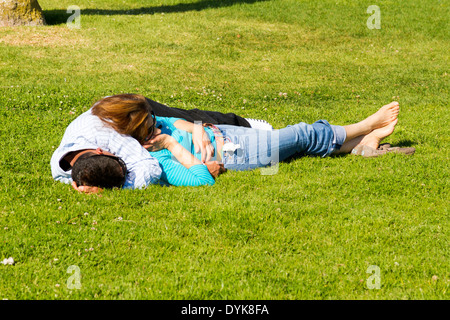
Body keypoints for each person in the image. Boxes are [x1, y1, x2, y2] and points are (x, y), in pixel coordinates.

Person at [73, 94, 405, 189]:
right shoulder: (153, 157)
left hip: (228, 135)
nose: (154, 121)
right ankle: (364, 124)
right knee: (301, 133)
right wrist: (175, 147)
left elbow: (170, 120)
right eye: (147, 122)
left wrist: (196, 127)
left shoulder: (152, 126)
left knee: (297, 147)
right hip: (238, 153)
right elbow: (201, 178)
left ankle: (363, 143)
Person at [50, 94, 273, 191]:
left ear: (102, 150)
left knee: (181, 117)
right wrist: (95, 186)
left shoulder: (112, 138)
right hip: (110, 115)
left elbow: (149, 168)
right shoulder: (59, 170)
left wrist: (195, 128)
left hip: (123, 109)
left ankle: (241, 123)